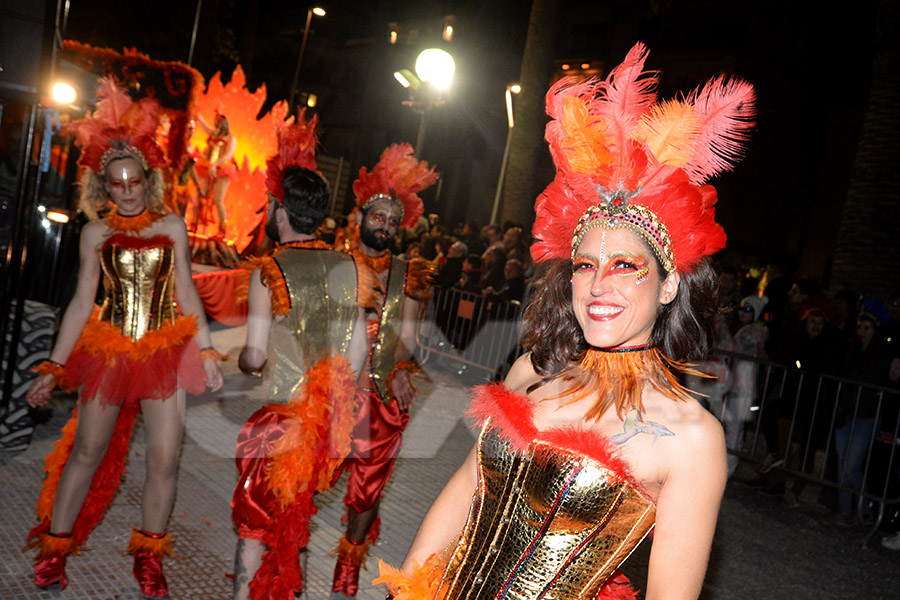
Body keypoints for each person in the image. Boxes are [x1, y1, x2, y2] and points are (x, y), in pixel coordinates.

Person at [376, 42, 755, 599]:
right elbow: (464, 490)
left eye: (626, 265)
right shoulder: (534, 369)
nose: (600, 285)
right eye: (585, 265)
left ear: (670, 282)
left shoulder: (691, 440)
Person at [24, 79, 224, 597]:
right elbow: (80, 302)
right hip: (109, 351)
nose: (128, 189)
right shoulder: (95, 234)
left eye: (135, 179)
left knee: (164, 458)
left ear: (148, 181)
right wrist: (53, 365)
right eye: (118, 182)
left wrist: (204, 349)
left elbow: (184, 292)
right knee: (87, 450)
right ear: (104, 187)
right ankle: (56, 546)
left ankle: (150, 555)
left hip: (164, 352)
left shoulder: (174, 226)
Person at [229, 114, 368, 600]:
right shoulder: (350, 266)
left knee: (255, 530)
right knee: (295, 530)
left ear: (280, 212)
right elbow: (357, 351)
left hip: (278, 423)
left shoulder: (270, 270)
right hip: (324, 427)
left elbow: (254, 356)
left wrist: (244, 362)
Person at [330, 143, 438, 599]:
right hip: (329, 390)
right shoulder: (332, 263)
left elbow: (410, 338)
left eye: (394, 222)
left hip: (379, 397)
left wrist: (404, 369)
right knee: (304, 476)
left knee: (367, 490)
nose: (386, 227)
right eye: (379, 218)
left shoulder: (408, 273)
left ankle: (348, 564)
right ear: (359, 218)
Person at [723, 295, 768, 476]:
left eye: (747, 309)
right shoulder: (746, 330)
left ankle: (728, 469)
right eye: (741, 308)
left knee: (734, 428)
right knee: (729, 427)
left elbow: (731, 348)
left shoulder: (755, 332)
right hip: (735, 385)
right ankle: (725, 466)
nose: (742, 313)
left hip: (743, 387)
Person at [195, 112, 238, 235]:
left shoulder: (231, 139)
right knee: (201, 194)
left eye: (219, 123)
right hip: (208, 167)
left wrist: (215, 165)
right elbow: (205, 126)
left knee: (218, 199)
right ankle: (198, 221)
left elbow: (228, 155)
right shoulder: (214, 134)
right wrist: (199, 117)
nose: (216, 126)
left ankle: (222, 228)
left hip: (223, 170)